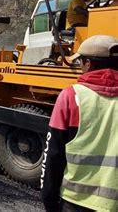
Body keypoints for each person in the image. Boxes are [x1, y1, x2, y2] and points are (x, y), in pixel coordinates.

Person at [41, 35, 118, 212]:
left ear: (88, 64)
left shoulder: (72, 97)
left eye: (80, 62)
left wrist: (49, 200)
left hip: (76, 201)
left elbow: (53, 154)